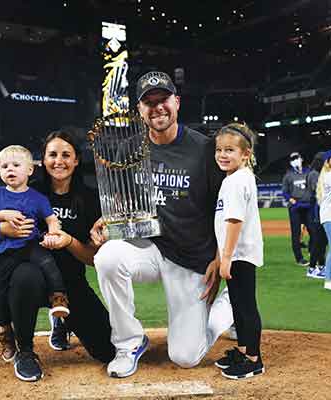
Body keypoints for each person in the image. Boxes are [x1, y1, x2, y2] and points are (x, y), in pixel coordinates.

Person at [90, 71, 233, 379]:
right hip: (150, 248)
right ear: (140, 110)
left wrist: (221, 258)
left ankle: (229, 306)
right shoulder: (129, 148)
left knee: (185, 356)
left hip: (192, 257)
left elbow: (224, 208)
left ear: (177, 102)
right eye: (148, 102)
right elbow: (122, 201)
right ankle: (129, 343)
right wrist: (107, 220)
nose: (157, 108)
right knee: (108, 257)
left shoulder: (205, 149)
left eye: (163, 100)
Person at [0, 131, 115, 382]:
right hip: (30, 276)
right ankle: (26, 352)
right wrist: (3, 229)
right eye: (52, 154)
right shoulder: (27, 189)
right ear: (43, 160)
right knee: (24, 276)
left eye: (66, 155)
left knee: (108, 350)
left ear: (76, 160)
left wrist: (69, 241)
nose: (59, 161)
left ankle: (61, 321)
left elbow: (90, 258)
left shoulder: (89, 198)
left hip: (70, 284)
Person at [0, 145, 70, 363]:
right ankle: (6, 332)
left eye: (16, 165)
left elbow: (51, 220)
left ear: (30, 170)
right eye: (4, 166)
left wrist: (54, 233)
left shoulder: (37, 198)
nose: (9, 169)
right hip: (5, 254)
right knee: (1, 297)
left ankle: (59, 298)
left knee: (48, 262)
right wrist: (2, 215)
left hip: (30, 247)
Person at [213, 123, 264, 379]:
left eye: (230, 150)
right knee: (237, 304)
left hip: (239, 255)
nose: (223, 154)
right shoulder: (234, 178)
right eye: (219, 149)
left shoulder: (237, 180)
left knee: (245, 306)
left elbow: (234, 221)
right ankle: (244, 350)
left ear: (245, 154)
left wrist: (226, 257)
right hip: (238, 254)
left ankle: (253, 359)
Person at [282, 151, 314, 266]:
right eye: (293, 159)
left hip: (308, 207)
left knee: (313, 231)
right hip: (295, 208)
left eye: (297, 158)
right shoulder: (288, 175)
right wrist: (291, 200)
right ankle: (299, 258)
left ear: (301, 158)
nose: (295, 160)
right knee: (296, 233)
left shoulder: (309, 172)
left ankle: (312, 251)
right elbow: (285, 192)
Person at [306, 152, 327, 279]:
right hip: (316, 212)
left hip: (321, 211)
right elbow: (317, 190)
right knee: (318, 242)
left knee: (322, 242)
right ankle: (312, 268)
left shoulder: (318, 174)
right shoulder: (314, 174)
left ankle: (321, 266)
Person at [316, 149, 331, 291]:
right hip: (330, 216)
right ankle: (328, 280)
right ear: (327, 162)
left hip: (330, 216)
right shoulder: (329, 176)